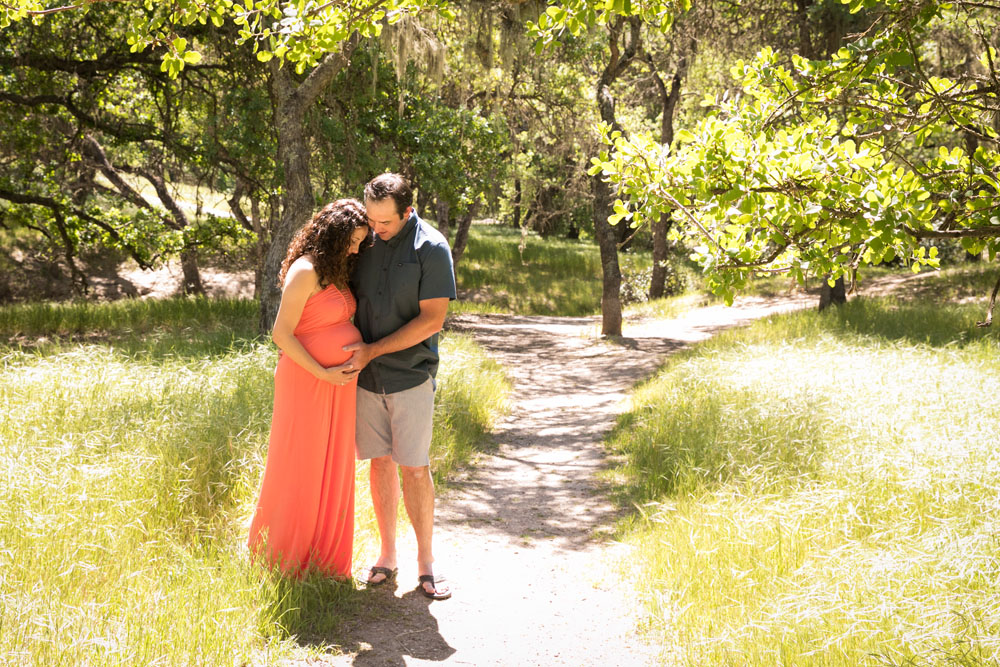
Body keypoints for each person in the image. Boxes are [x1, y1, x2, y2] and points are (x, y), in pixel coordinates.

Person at [342, 173, 456, 600]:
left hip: (411, 375)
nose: (376, 229)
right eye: (371, 219)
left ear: (407, 211)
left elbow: (432, 320)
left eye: (384, 222)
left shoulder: (432, 247)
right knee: (379, 463)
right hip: (365, 379)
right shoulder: (364, 241)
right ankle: (387, 556)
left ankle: (426, 563)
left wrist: (373, 351)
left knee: (414, 466)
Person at [247, 198, 371, 578]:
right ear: (333, 235)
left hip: (337, 385)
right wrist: (323, 372)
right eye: (351, 241)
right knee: (299, 464)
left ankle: (325, 560)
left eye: (359, 243)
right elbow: (281, 334)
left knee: (331, 465)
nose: (355, 249)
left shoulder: (335, 271)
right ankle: (283, 558)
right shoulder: (305, 271)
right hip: (307, 381)